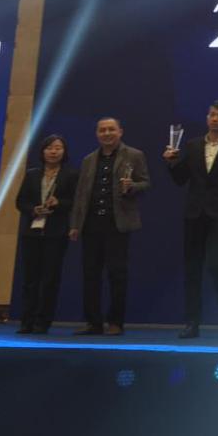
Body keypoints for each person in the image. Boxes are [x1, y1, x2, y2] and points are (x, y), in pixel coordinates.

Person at [165, 100, 218, 339]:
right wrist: (171, 162)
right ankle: (192, 323)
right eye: (211, 114)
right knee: (192, 270)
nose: (215, 119)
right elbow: (181, 179)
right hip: (194, 214)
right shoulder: (192, 145)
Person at [69, 118, 149, 336]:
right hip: (91, 224)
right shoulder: (88, 159)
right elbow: (81, 194)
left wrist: (132, 186)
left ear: (120, 131)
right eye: (102, 130)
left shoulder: (134, 155)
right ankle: (93, 322)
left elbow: (145, 183)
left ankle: (116, 321)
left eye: (111, 129)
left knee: (117, 274)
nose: (107, 133)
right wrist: (75, 224)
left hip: (117, 224)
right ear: (97, 134)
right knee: (90, 274)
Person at [14, 135, 78, 334]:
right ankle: (26, 321)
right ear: (42, 151)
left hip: (55, 232)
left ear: (64, 152)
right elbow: (20, 201)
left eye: (58, 148)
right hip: (31, 232)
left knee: (50, 279)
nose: (53, 151)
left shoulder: (71, 175)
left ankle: (43, 322)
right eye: (49, 148)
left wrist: (59, 203)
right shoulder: (32, 174)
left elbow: (75, 201)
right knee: (30, 279)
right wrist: (33, 209)